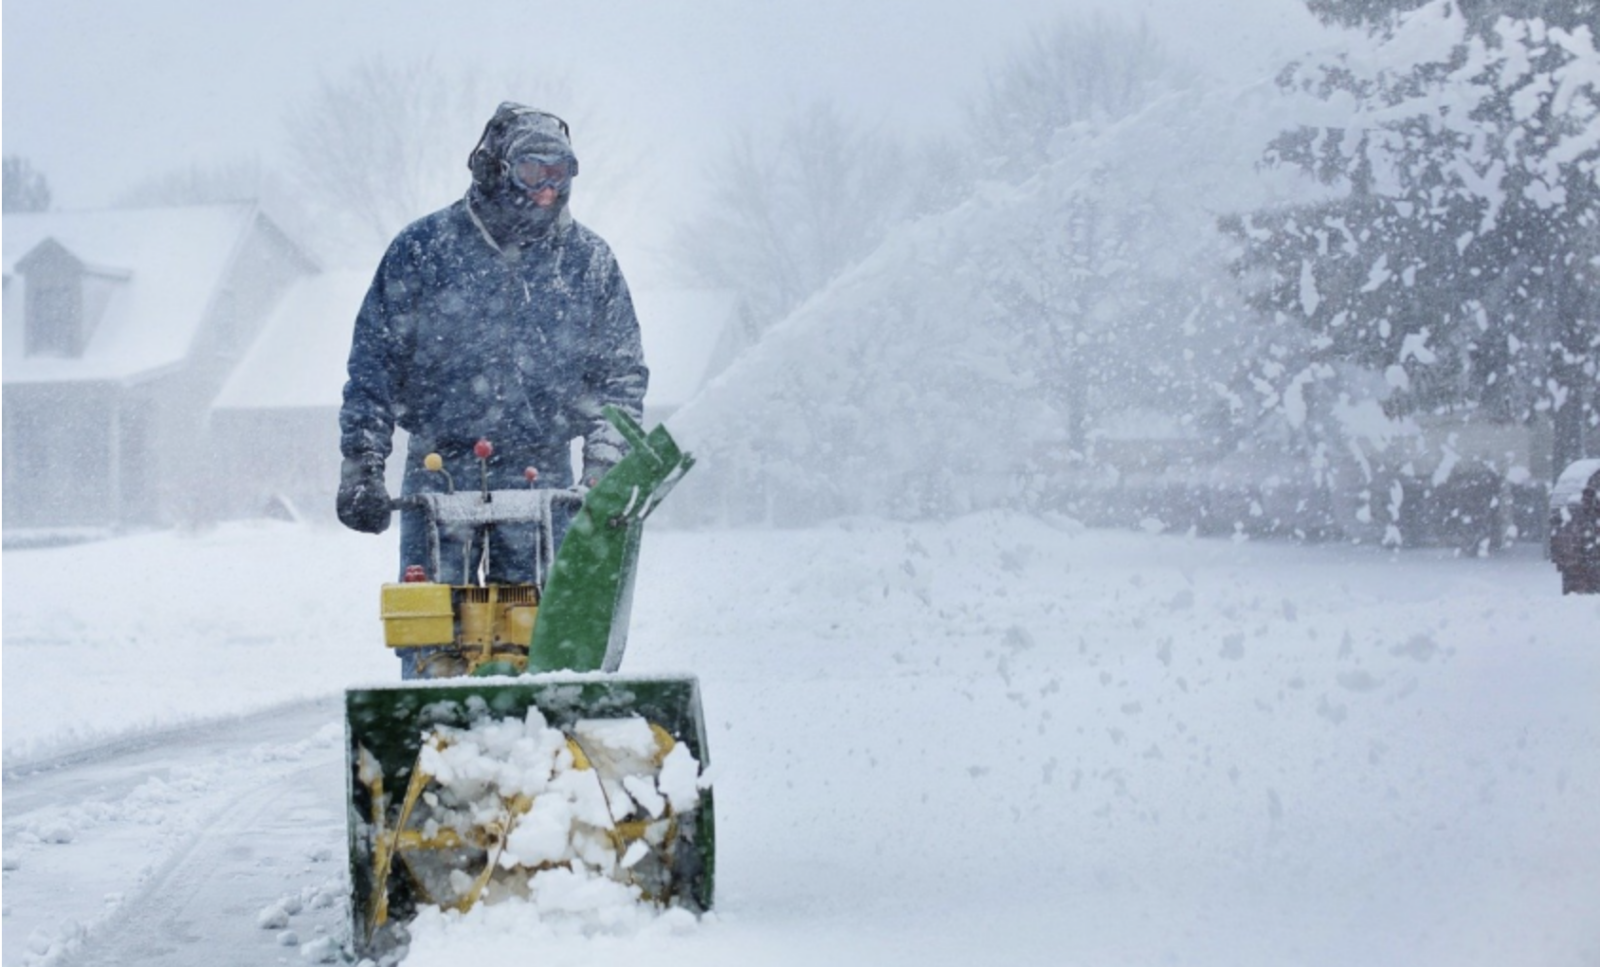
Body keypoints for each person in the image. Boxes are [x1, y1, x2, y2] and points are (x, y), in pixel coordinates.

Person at [335, 102, 648, 671]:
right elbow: (373, 364)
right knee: (432, 634)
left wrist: (604, 469)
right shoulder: (425, 250)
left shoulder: (587, 263)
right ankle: (435, 723)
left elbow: (620, 378)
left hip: (543, 472)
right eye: (534, 172)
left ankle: (536, 740)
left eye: (561, 174)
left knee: (541, 638)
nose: (548, 190)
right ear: (495, 169)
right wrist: (362, 463)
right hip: (438, 468)